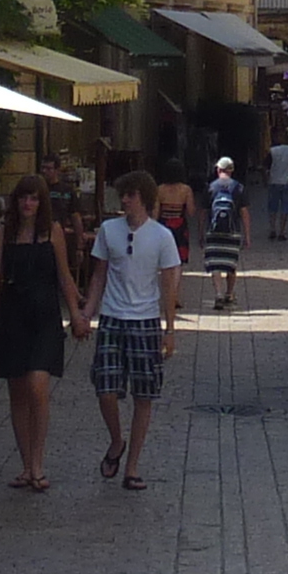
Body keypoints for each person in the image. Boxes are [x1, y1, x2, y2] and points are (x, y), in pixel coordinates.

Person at [0, 174, 86, 491]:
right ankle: (27, 466)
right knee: (18, 392)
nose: (28, 203)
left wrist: (77, 314)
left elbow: (64, 277)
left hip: (45, 317)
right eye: (24, 197)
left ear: (42, 202)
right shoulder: (3, 233)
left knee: (38, 384)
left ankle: (37, 462)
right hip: (12, 317)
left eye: (34, 198)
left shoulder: (52, 232)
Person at [87, 171, 182, 490]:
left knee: (144, 396)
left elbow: (169, 284)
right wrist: (87, 313)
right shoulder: (108, 230)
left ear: (143, 197)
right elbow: (99, 275)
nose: (124, 200)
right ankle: (117, 440)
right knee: (105, 388)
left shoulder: (161, 237)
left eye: (129, 195)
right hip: (113, 317)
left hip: (144, 321)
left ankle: (132, 467)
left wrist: (169, 329)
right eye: (122, 194)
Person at [201, 155, 247, 313]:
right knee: (231, 264)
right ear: (231, 171)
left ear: (218, 170)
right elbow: (244, 213)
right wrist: (247, 235)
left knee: (215, 263)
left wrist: (201, 233)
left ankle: (218, 294)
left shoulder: (211, 187)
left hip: (213, 232)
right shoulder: (238, 187)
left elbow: (203, 212)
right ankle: (229, 293)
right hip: (232, 231)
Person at [151, 160, 198, 266]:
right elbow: (191, 212)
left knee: (163, 258)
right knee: (179, 258)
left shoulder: (159, 189)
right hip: (180, 226)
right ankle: (176, 282)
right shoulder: (186, 190)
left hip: (164, 225)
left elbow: (155, 213)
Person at [264, 132, 288, 241]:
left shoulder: (273, 151)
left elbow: (265, 167)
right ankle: (281, 232)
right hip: (287, 183)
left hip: (274, 182)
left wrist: (266, 180)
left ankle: (272, 229)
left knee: (272, 207)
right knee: (285, 208)